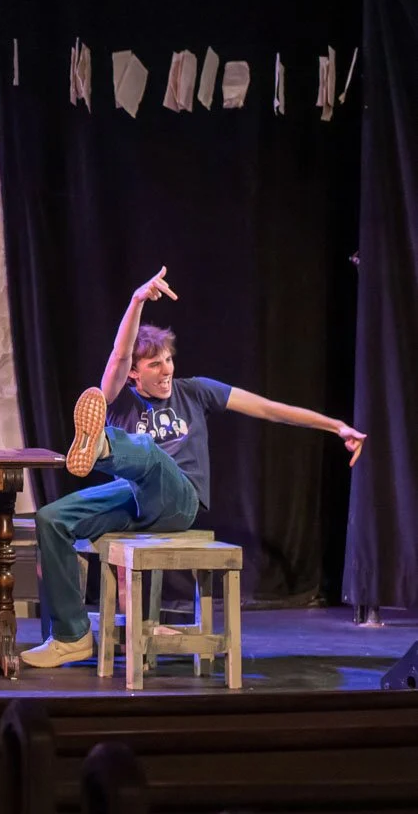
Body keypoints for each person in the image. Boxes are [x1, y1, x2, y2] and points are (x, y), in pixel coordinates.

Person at [23, 266, 369, 668]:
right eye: (154, 364)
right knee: (51, 518)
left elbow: (269, 409)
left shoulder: (196, 391)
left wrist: (335, 425)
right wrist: (136, 301)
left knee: (150, 454)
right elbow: (118, 354)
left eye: (168, 360)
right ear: (135, 373)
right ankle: (72, 636)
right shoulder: (119, 399)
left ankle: (99, 445)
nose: (166, 369)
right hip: (133, 499)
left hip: (180, 499)